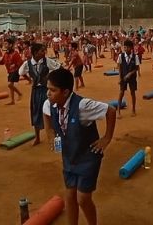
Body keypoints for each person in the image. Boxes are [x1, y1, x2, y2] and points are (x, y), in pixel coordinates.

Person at [43, 68, 116, 225]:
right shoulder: (50, 104)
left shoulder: (83, 106)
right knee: (69, 196)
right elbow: (46, 113)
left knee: (83, 198)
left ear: (65, 92)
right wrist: (50, 133)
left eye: (52, 90)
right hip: (69, 158)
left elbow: (110, 110)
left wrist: (107, 138)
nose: (48, 93)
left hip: (87, 158)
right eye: (48, 89)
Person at [18, 43, 61, 146]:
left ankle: (56, 138)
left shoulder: (47, 61)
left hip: (47, 90)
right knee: (36, 112)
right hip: (36, 91)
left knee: (52, 111)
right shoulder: (28, 63)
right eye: (42, 51)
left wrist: (51, 79)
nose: (44, 52)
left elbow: (59, 67)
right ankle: (37, 137)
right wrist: (30, 80)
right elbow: (20, 72)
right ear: (35, 53)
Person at [115, 40, 140, 118]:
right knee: (121, 93)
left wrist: (130, 74)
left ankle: (133, 109)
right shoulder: (121, 56)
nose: (125, 49)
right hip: (123, 77)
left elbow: (137, 68)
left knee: (132, 92)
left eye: (127, 47)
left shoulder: (135, 56)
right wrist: (120, 78)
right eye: (125, 47)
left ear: (131, 48)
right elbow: (119, 67)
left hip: (132, 78)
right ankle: (118, 111)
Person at [3, 38, 23, 105]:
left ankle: (19, 94)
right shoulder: (6, 53)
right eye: (4, 44)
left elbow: (20, 62)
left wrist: (15, 65)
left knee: (10, 85)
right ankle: (12, 101)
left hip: (15, 71)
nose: (5, 45)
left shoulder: (15, 53)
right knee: (11, 86)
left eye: (6, 44)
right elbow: (2, 61)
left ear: (10, 45)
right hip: (10, 71)